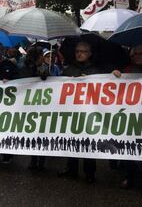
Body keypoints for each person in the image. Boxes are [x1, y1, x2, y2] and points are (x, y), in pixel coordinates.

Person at [112, 44, 142, 194]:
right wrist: (113, 76)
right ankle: (129, 176)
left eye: (141, 54)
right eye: (134, 54)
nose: (137, 56)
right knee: (128, 147)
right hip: (130, 116)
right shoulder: (126, 71)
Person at [57, 41, 100, 183]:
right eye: (77, 51)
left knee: (89, 143)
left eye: (83, 51)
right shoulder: (69, 70)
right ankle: (72, 169)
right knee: (71, 141)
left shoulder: (97, 71)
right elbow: (57, 87)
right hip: (72, 113)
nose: (79, 54)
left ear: (90, 54)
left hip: (89, 113)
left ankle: (90, 173)